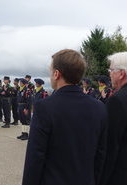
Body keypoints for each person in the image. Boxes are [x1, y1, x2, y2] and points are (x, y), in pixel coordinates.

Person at [22, 49, 108, 185]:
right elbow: (100, 155)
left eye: (51, 71)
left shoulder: (44, 107)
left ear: (56, 74)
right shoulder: (99, 108)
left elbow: (35, 158)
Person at [99, 52, 127, 185]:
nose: (109, 74)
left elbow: (110, 146)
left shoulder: (117, 100)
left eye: (111, 70)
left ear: (121, 73)